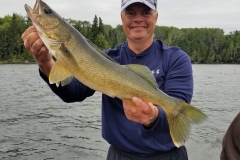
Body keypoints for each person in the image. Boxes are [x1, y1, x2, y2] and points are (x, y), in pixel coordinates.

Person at [21, 0, 193, 159]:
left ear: (156, 16)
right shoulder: (108, 57)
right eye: (131, 13)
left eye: (146, 13)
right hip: (119, 155)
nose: (138, 19)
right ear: (122, 17)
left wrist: (152, 116)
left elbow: (178, 102)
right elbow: (72, 93)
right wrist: (45, 62)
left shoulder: (176, 59)